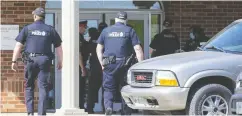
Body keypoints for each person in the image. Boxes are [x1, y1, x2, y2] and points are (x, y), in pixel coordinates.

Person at [11, 7, 63, 116]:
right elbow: (58, 47)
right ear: (44, 18)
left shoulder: (27, 28)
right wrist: (60, 61)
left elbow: (18, 46)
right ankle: (41, 113)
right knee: (43, 87)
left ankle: (30, 112)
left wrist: (14, 61)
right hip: (44, 60)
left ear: (35, 16)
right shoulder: (50, 29)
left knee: (29, 86)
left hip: (30, 60)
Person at [96, 11, 144, 115]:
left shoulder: (106, 30)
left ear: (116, 19)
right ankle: (126, 111)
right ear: (125, 20)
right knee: (125, 87)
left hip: (108, 61)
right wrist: (141, 66)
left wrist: (101, 63)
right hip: (124, 62)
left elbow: (99, 48)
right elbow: (138, 49)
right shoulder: (129, 30)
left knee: (108, 87)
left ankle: (108, 107)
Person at [86, 27, 102, 114]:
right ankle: (106, 107)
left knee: (92, 89)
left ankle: (90, 108)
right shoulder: (102, 40)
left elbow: (87, 52)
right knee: (107, 89)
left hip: (94, 68)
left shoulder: (90, 41)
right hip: (104, 67)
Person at [79, 20, 89, 110]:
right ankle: (80, 106)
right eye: (84, 27)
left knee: (82, 88)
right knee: (80, 88)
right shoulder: (77, 37)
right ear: (79, 27)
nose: (85, 29)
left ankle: (81, 106)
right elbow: (79, 54)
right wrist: (82, 68)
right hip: (78, 67)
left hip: (82, 65)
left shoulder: (81, 37)